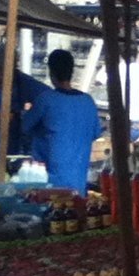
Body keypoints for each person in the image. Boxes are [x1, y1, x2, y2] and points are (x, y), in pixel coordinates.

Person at [21, 50, 103, 196]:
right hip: (78, 183)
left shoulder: (46, 100)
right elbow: (95, 133)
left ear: (51, 73)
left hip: (49, 185)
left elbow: (24, 126)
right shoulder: (88, 102)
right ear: (72, 71)